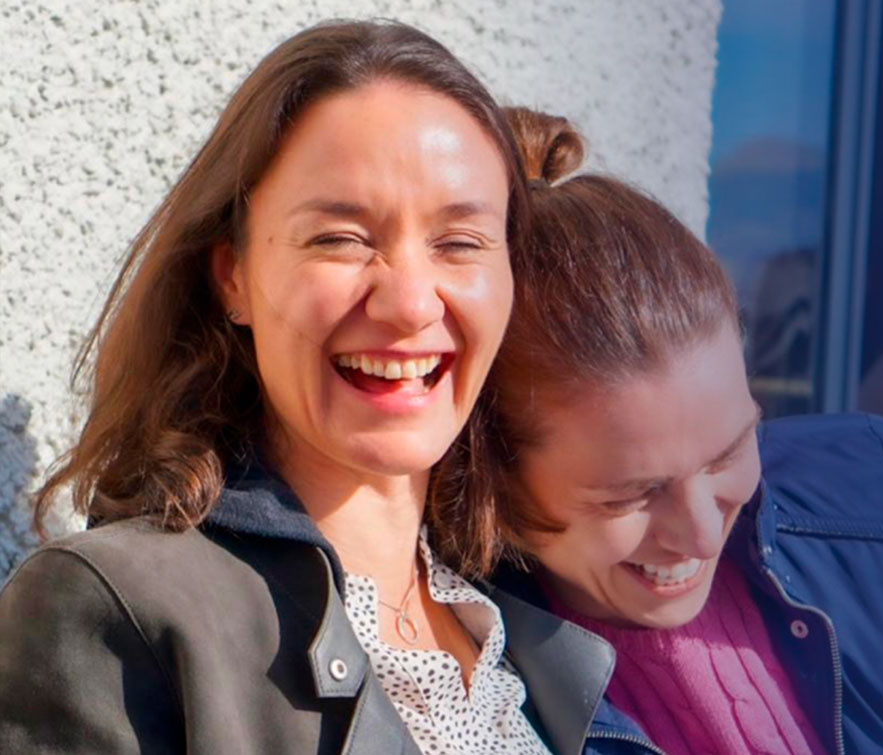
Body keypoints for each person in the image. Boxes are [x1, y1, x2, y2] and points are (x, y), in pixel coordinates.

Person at [0, 24, 604, 755]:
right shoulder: (119, 612)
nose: (410, 304)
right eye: (341, 238)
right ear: (233, 275)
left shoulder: (544, 618)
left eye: (459, 243)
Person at [483, 108, 883, 755]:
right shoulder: (460, 684)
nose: (704, 535)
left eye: (728, 452)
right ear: (498, 483)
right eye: (632, 494)